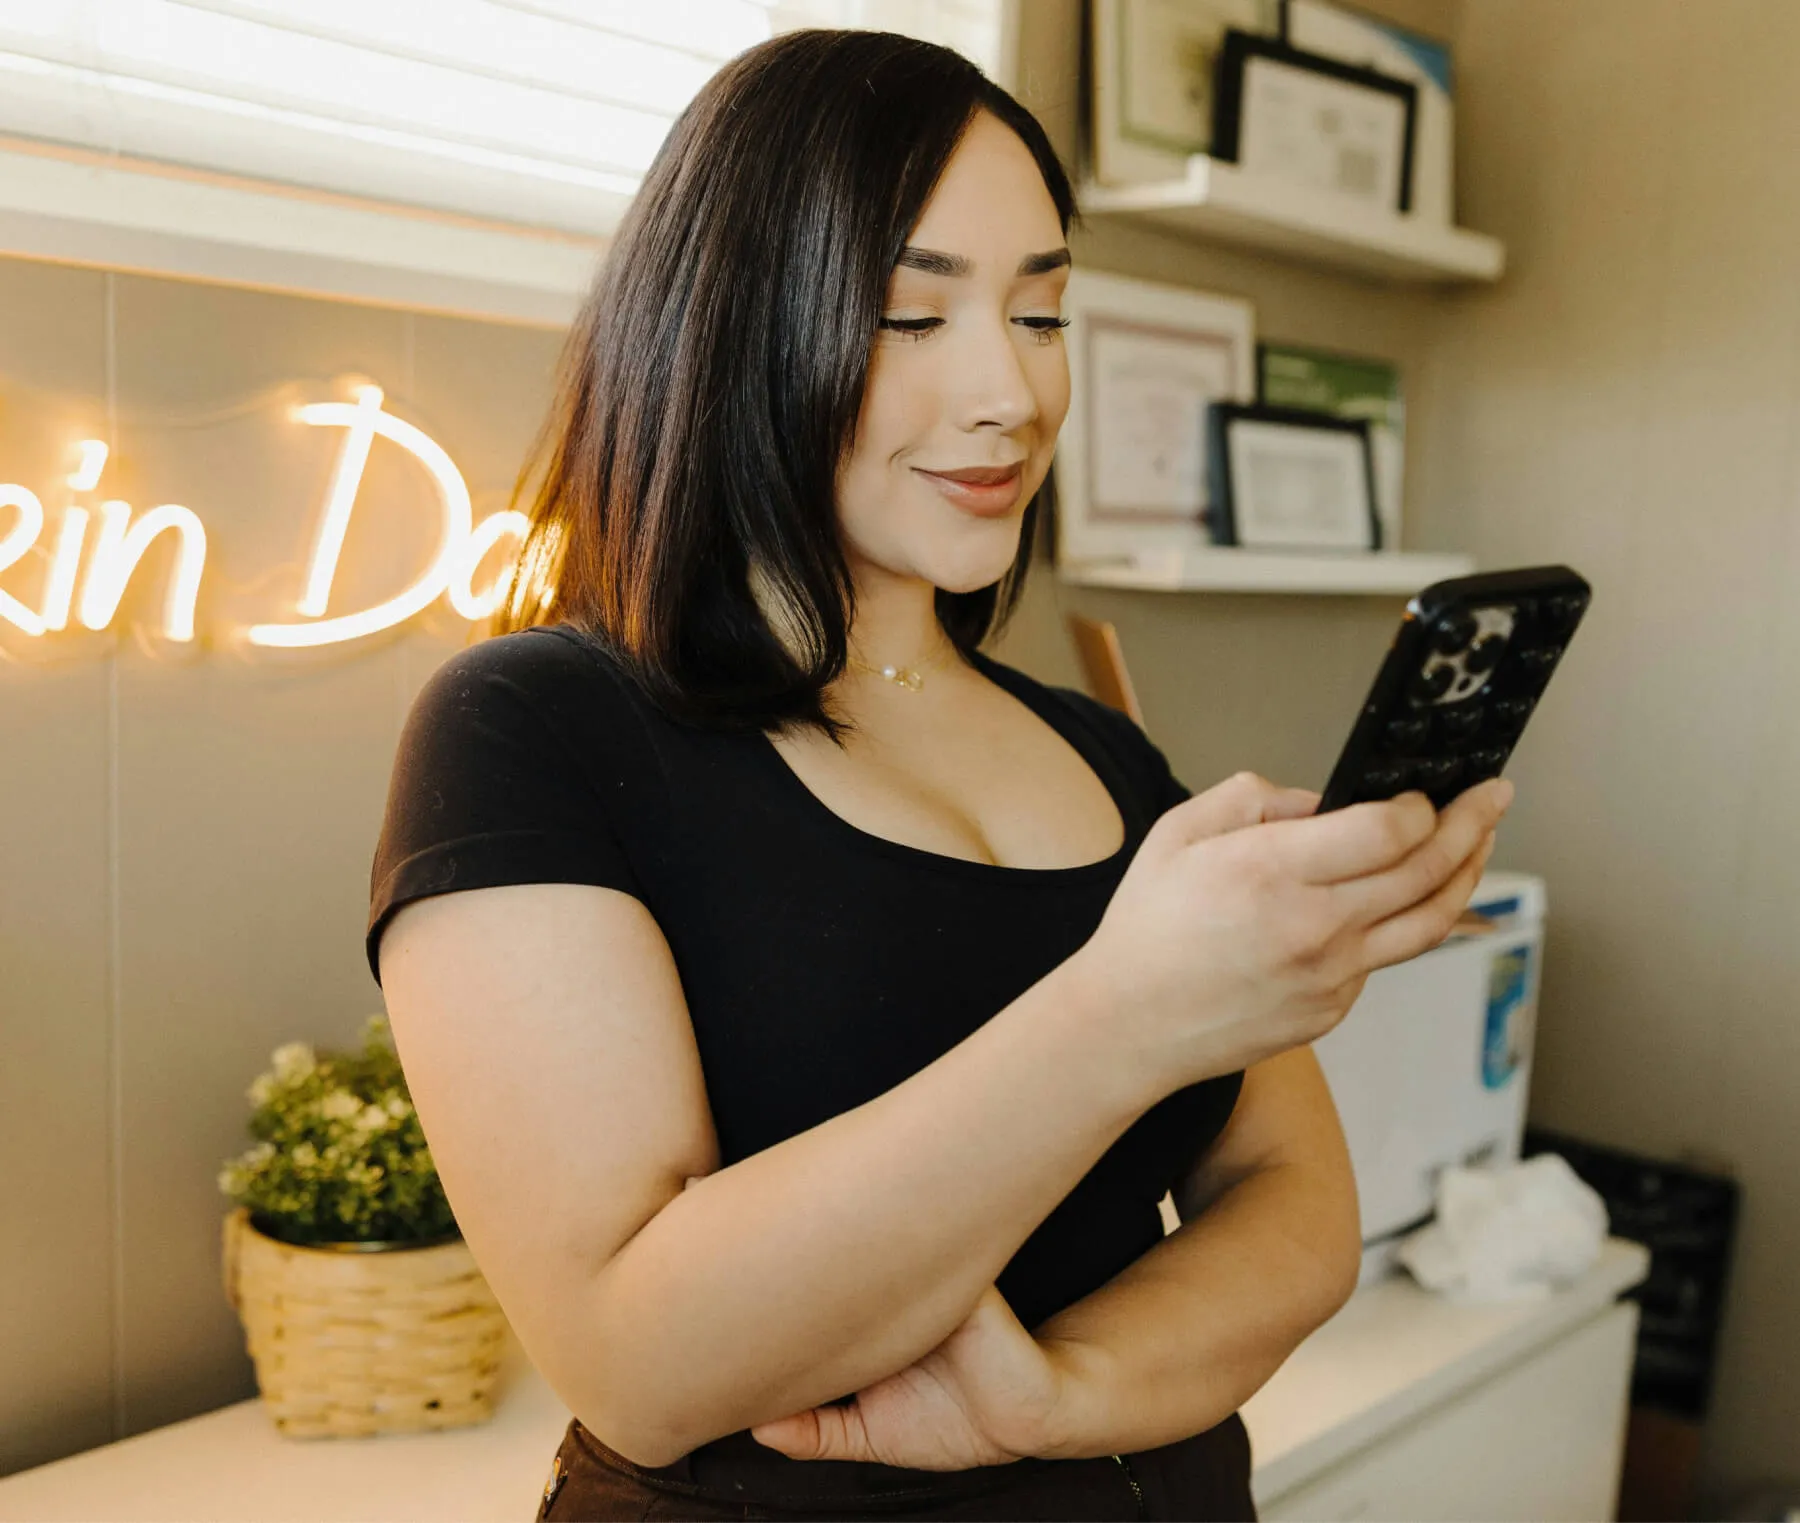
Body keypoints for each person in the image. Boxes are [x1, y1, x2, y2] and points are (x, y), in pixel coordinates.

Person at [364, 28, 1513, 1523]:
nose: (1014, 392)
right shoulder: (534, 728)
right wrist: (1128, 1008)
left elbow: (1298, 1208)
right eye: (915, 315)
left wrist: (1053, 1393)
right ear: (729, 325)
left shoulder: (1104, 749)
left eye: (1043, 314)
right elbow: (635, 1355)